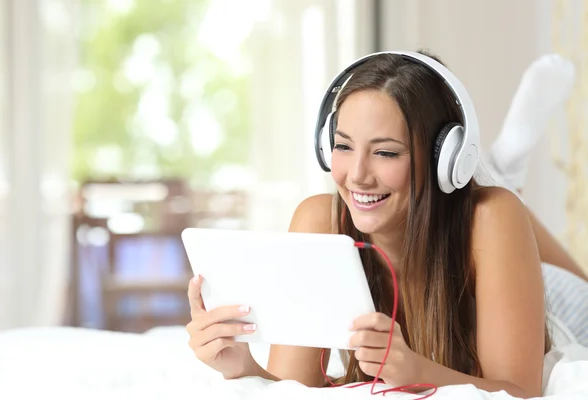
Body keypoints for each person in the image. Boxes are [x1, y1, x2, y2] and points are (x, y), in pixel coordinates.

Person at [186, 51, 587, 398]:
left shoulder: (492, 219)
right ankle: (502, 169)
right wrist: (242, 366)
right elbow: (295, 388)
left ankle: (503, 176)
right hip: (491, 254)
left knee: (507, 212)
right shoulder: (318, 219)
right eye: (343, 146)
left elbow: (521, 393)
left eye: (385, 152)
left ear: (444, 160)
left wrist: (416, 373)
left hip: (561, 304)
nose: (357, 175)